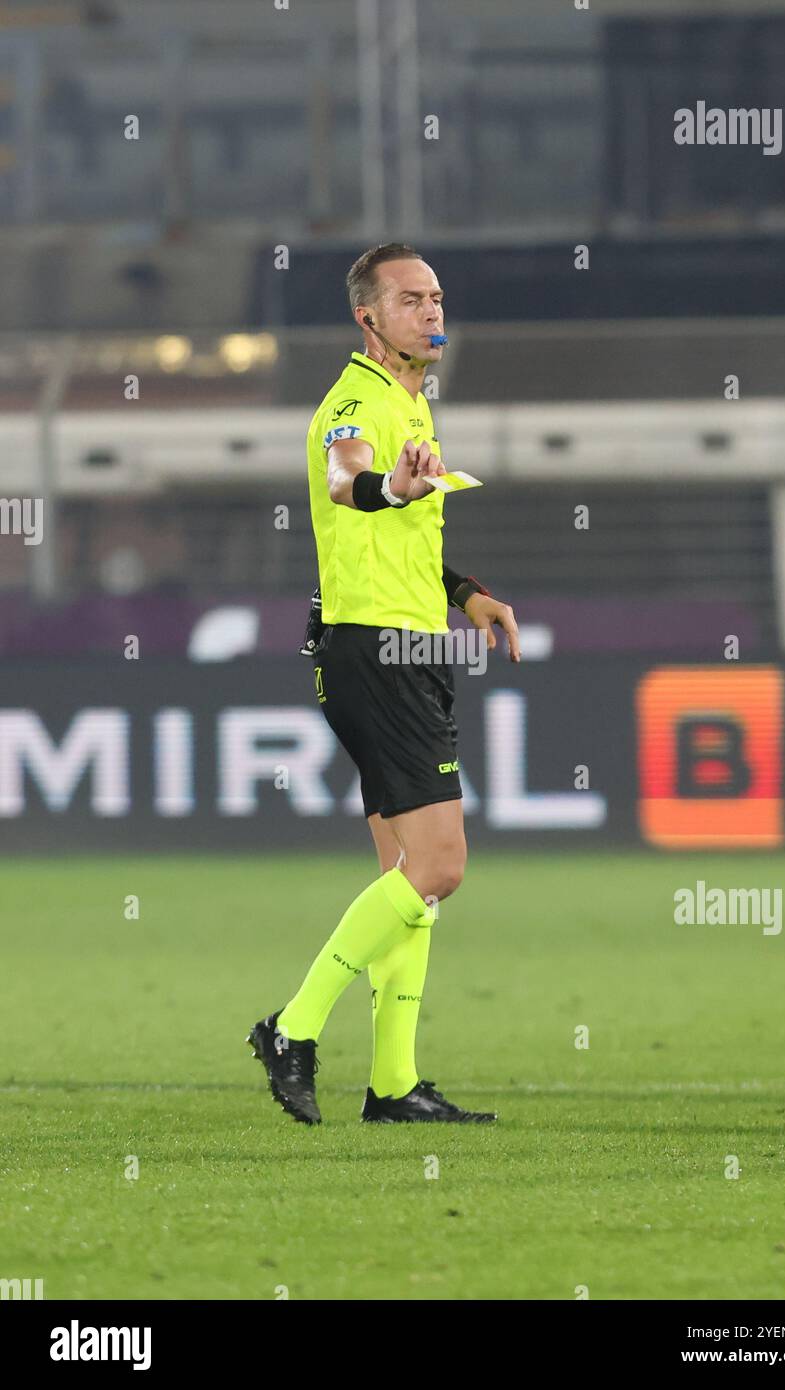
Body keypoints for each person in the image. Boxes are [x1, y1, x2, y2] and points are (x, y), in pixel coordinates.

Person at [247, 243, 520, 1124]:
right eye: (411, 300)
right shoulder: (357, 400)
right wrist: (390, 490)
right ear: (369, 318)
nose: (432, 312)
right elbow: (349, 481)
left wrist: (467, 593)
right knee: (441, 868)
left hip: (408, 645)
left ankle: (394, 1083)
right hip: (377, 652)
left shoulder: (412, 402)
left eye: (438, 296)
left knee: (407, 882)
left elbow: (406, 537)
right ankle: (292, 1027)